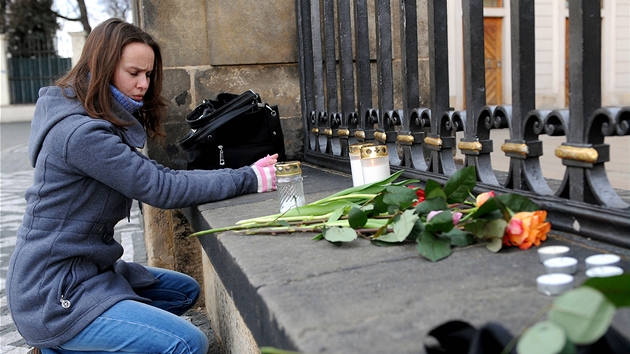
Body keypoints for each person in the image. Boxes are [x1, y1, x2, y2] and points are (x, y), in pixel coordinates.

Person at [6, 18, 278, 354]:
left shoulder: (96, 118)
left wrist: (245, 172)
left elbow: (157, 174)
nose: (144, 84)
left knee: (183, 291)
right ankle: (59, 343)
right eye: (134, 73)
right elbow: (161, 187)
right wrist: (250, 178)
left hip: (89, 271)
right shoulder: (81, 134)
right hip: (53, 291)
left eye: (148, 75)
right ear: (101, 67)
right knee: (188, 343)